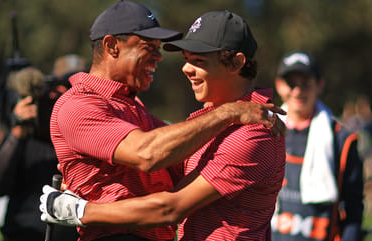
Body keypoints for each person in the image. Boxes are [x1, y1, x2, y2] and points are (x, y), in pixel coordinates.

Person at [40, 10, 286, 241]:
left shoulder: (254, 132)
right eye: (187, 59)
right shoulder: (216, 120)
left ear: (236, 63)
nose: (185, 69)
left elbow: (169, 207)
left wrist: (80, 210)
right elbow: (159, 164)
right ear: (110, 46)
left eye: (199, 61)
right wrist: (89, 179)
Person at [270, 51, 364, 241]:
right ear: (279, 86)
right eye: (291, 84)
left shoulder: (342, 140)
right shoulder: (264, 133)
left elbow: (354, 210)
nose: (298, 91)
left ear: (320, 85)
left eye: (305, 84)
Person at [0, 66, 79, 241]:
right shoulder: (24, 138)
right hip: (23, 234)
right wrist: (18, 129)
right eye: (50, 102)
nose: (55, 110)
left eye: (61, 102)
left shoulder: (82, 141)